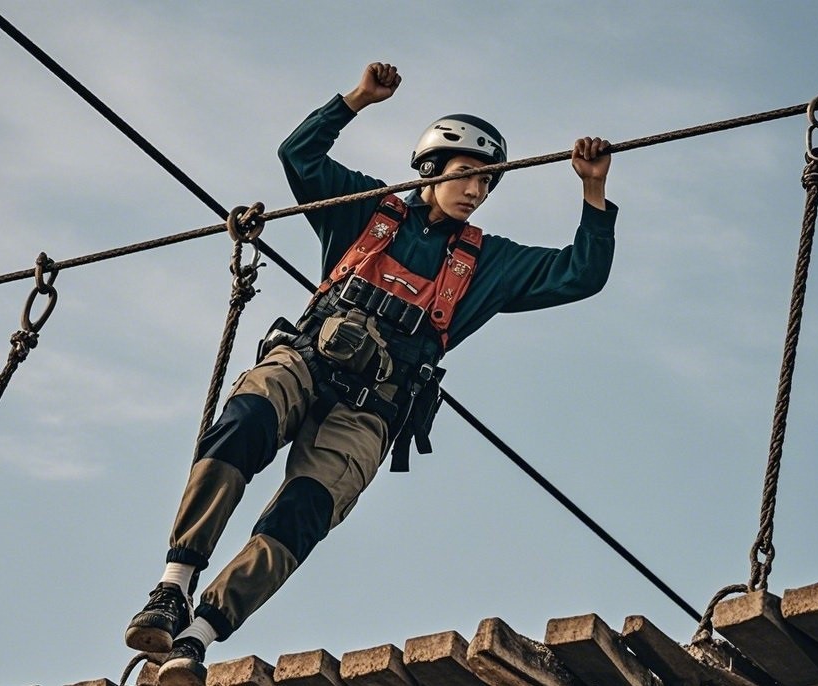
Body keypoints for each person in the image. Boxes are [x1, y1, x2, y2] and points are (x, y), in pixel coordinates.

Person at [124, 62, 617, 686]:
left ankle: (197, 637)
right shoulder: (365, 212)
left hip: (372, 408)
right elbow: (298, 156)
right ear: (432, 169)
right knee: (244, 424)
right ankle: (173, 588)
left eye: (487, 183)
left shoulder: (488, 263)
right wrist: (358, 98)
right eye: (465, 174)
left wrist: (592, 190)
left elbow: (581, 273)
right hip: (304, 361)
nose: (475, 191)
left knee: (305, 511)